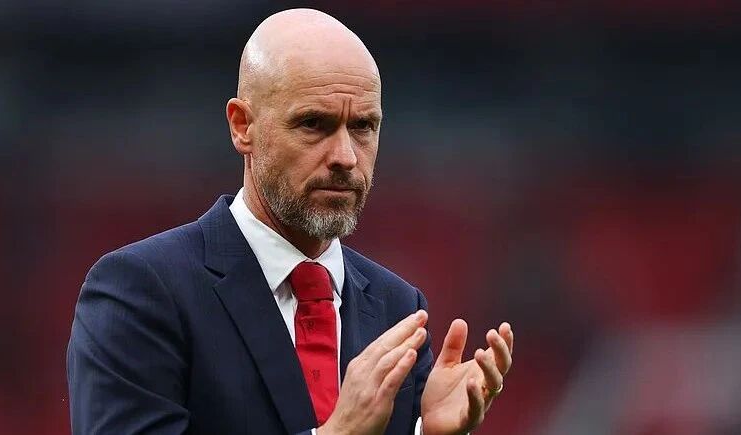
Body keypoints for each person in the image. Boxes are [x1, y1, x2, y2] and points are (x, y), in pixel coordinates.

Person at [66, 8, 514, 435]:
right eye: (314, 124)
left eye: (363, 126)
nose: (345, 157)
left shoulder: (397, 306)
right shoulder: (142, 290)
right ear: (242, 126)